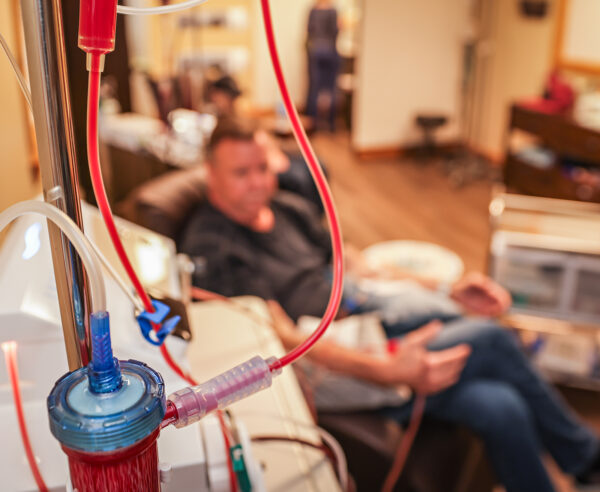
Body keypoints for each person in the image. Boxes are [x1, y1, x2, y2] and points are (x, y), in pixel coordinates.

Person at [179, 117, 600, 492]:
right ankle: (588, 461)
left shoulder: (285, 208)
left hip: (367, 317)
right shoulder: (214, 248)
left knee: (502, 408)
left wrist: (447, 287)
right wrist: (386, 371)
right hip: (338, 359)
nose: (258, 182)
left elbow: (356, 264)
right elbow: (280, 342)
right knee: (494, 339)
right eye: (241, 173)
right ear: (210, 173)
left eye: (263, 168)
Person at [305, 0, 340, 130]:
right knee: (331, 88)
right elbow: (335, 31)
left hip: (315, 52)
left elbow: (309, 31)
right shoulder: (333, 11)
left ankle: (312, 123)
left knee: (313, 88)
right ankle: (331, 123)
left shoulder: (313, 10)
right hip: (330, 51)